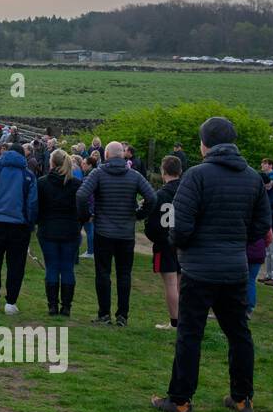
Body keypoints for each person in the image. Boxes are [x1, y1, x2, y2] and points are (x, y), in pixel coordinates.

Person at [153, 117, 270, 412]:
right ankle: (242, 397)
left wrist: (183, 245)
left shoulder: (196, 176)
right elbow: (262, 225)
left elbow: (180, 226)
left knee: (190, 333)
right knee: (238, 333)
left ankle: (180, 400)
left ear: (205, 144)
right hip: (234, 268)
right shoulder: (253, 178)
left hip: (199, 268)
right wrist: (234, 241)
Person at [75, 141, 157, 326]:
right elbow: (152, 197)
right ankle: (122, 315)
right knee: (124, 274)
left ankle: (104, 314)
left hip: (103, 230)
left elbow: (81, 195)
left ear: (106, 155)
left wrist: (86, 216)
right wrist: (139, 215)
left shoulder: (98, 173)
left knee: (103, 273)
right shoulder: (134, 176)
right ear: (122, 155)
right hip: (126, 233)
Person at [0, 144, 38, 314]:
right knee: (16, 265)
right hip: (18, 226)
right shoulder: (28, 175)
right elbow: (32, 203)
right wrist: (30, 223)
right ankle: (11, 302)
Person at [36, 149, 81, 316]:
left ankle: (53, 305)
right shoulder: (76, 184)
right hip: (70, 230)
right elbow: (82, 207)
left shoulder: (42, 183)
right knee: (67, 268)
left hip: (48, 230)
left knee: (52, 267)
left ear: (52, 163)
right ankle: (66, 307)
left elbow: (37, 206)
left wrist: (37, 221)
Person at [145, 155, 183, 330]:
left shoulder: (160, 195)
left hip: (165, 242)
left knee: (171, 284)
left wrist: (156, 237)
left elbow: (152, 223)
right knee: (180, 282)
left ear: (163, 172)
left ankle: (175, 322)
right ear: (180, 171)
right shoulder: (187, 191)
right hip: (183, 242)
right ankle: (184, 320)